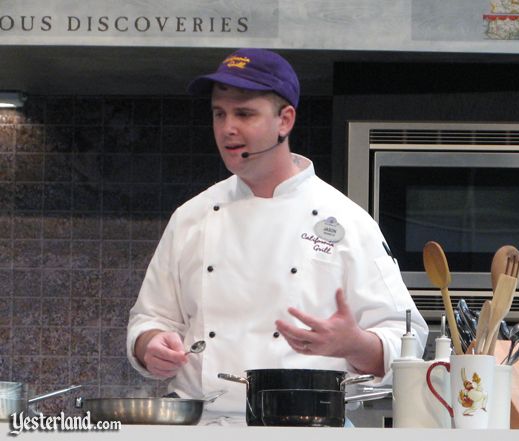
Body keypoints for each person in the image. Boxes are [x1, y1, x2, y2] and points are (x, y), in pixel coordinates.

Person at [126, 48, 428, 423]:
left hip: (309, 428)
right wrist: (149, 345)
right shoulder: (192, 217)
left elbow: (407, 340)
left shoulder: (347, 221)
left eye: (244, 113)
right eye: (219, 113)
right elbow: (149, 318)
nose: (227, 128)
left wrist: (354, 344)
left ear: (285, 120)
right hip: (202, 426)